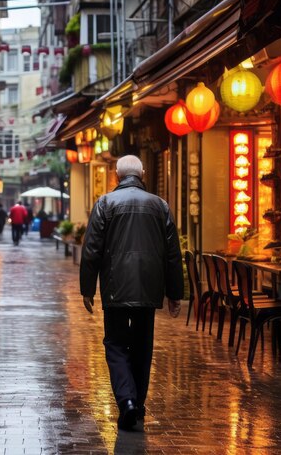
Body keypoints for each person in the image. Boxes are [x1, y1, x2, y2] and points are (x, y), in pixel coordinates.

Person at [79, 155, 184, 431]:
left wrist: (87, 289)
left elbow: (91, 249)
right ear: (143, 174)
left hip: (115, 286)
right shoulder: (160, 206)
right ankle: (137, 404)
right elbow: (173, 255)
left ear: (116, 176)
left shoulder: (105, 203)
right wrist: (175, 293)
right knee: (142, 345)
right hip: (149, 287)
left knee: (115, 344)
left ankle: (126, 400)